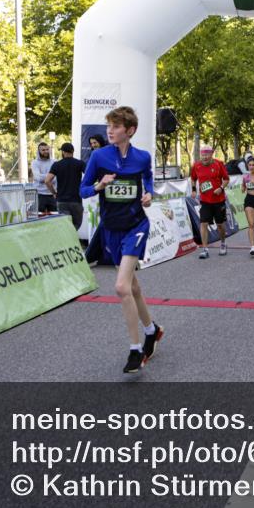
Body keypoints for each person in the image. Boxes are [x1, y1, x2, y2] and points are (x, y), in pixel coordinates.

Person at [80, 106, 161, 374]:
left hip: (136, 225)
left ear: (130, 130)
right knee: (133, 287)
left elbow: (147, 178)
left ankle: (135, 349)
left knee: (121, 286)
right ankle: (152, 330)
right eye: (109, 126)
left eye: (115, 127)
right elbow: (83, 190)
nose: (110, 131)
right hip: (111, 229)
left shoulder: (142, 157)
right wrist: (99, 186)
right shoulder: (99, 156)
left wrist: (149, 194)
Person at [190, 145, 230, 258]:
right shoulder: (196, 165)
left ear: (211, 154)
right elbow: (193, 178)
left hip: (218, 200)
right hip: (205, 201)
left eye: (207, 155)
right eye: (203, 155)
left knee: (220, 225)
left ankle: (223, 244)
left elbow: (226, 179)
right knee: (203, 223)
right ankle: (205, 249)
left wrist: (221, 188)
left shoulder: (218, 164)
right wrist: (194, 190)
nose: (204, 157)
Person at [46, 143, 86, 229]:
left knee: (65, 227)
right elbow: (90, 175)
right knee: (76, 225)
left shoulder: (57, 164)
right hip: (76, 200)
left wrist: (54, 193)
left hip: (62, 201)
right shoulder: (80, 163)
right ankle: (73, 237)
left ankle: (68, 237)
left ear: (63, 152)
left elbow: (47, 181)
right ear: (73, 151)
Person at [32, 142, 57, 214]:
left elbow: (56, 178)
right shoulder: (35, 162)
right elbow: (38, 178)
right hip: (39, 194)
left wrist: (44, 176)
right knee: (40, 217)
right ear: (38, 151)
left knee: (55, 217)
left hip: (53, 194)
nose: (46, 151)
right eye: (43, 150)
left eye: (47, 149)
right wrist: (51, 176)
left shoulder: (54, 162)